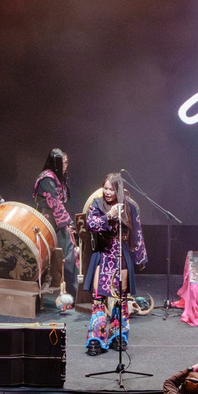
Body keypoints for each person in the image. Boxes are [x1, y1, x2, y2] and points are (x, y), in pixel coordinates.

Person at [84, 173, 147, 357]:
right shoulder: (97, 204)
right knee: (99, 297)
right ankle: (96, 336)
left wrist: (140, 257)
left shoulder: (130, 206)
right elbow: (91, 225)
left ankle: (118, 335)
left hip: (121, 256)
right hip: (103, 255)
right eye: (105, 188)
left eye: (111, 189)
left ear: (118, 189)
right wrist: (108, 217)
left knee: (121, 298)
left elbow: (137, 232)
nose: (107, 192)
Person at [35, 149, 79, 312]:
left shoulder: (56, 177)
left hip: (57, 219)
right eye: (64, 163)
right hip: (50, 220)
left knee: (68, 254)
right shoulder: (47, 178)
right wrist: (69, 223)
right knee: (67, 253)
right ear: (56, 164)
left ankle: (71, 293)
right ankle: (69, 293)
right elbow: (55, 204)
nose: (66, 166)